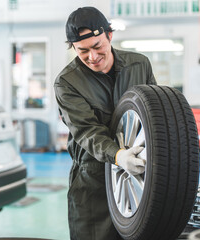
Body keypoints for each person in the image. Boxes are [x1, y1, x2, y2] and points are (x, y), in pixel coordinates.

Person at [54, 6, 157, 240]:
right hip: (93, 181)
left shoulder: (139, 65)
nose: (92, 57)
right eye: (82, 51)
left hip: (140, 174)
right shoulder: (67, 83)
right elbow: (87, 131)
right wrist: (119, 156)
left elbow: (155, 116)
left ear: (109, 35)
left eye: (97, 46)